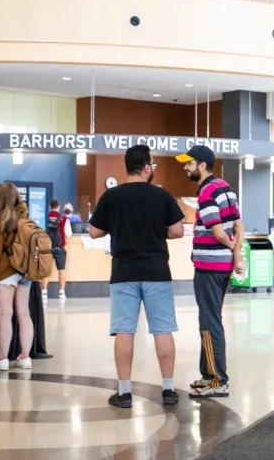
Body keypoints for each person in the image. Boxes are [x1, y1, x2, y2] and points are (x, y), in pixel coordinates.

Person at [90, 145, 186, 409]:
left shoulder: (111, 196)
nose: (153, 169)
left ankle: (124, 393)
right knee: (162, 329)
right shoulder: (162, 195)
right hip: (157, 272)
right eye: (152, 165)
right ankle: (168, 390)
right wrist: (156, 232)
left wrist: (117, 227)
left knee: (124, 331)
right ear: (145, 168)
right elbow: (177, 231)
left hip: (124, 273)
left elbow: (94, 232)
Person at [177, 145, 243, 399]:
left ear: (202, 165)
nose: (186, 168)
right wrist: (236, 255)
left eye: (189, 163)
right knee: (211, 318)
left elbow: (218, 232)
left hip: (209, 267)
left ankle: (217, 380)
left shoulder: (206, 192)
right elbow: (238, 226)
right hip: (222, 266)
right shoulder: (226, 188)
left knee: (209, 322)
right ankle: (208, 375)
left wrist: (231, 247)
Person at [0, 181, 35, 372]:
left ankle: (3, 359)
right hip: (25, 271)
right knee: (24, 313)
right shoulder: (26, 217)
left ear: (0, 198)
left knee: (5, 313)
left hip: (6, 271)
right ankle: (25, 357)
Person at [46, 199, 69, 300]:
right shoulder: (63, 218)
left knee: (46, 270)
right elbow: (68, 233)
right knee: (61, 270)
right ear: (59, 207)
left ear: (50, 207)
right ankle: (61, 293)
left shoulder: (45, 217)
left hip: (46, 247)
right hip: (59, 247)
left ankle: (43, 292)